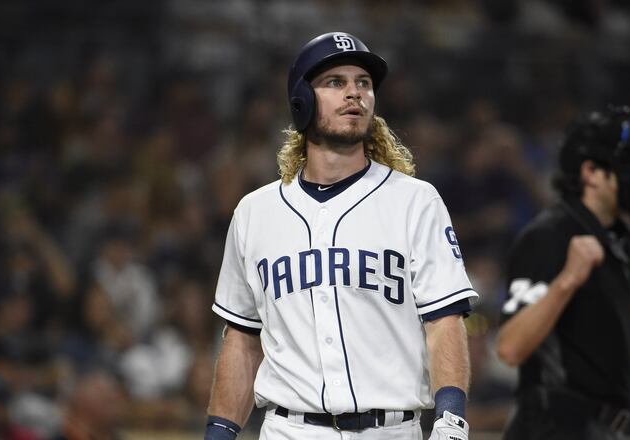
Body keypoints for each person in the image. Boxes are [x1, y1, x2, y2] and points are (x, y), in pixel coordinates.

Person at [204, 32, 477, 440]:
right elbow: (243, 339)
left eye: (363, 83)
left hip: (391, 430)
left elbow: (443, 322)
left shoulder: (414, 201)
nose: (355, 93)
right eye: (336, 82)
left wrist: (451, 416)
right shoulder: (254, 214)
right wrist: (219, 433)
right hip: (289, 429)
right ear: (302, 100)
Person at [495, 106, 630, 439]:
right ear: (591, 172)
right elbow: (510, 345)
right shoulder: (550, 235)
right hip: (553, 427)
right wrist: (567, 280)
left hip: (603, 429)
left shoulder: (623, 243)